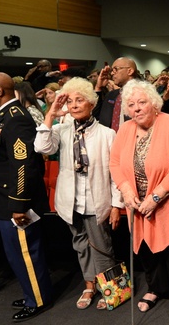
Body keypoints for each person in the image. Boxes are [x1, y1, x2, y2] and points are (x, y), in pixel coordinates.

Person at [109, 79, 169, 324]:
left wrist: (155, 196)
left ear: (154, 103)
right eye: (131, 105)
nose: (137, 108)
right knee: (146, 250)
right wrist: (126, 190)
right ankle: (155, 289)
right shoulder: (125, 129)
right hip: (138, 204)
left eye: (142, 102)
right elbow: (115, 164)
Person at [34, 77, 123, 310]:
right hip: (71, 199)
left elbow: (116, 173)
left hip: (98, 198)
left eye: (79, 100)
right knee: (80, 244)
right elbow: (42, 147)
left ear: (91, 103)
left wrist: (116, 205)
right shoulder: (61, 129)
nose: (74, 105)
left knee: (102, 245)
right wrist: (51, 113)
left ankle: (110, 287)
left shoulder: (107, 134)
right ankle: (89, 285)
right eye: (70, 101)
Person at [0, 72, 55, 321]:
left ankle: (38, 299)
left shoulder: (16, 119)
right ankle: (32, 292)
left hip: (14, 200)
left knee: (25, 253)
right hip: (3, 198)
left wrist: (19, 204)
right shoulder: (3, 116)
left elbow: (23, 166)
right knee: (15, 254)